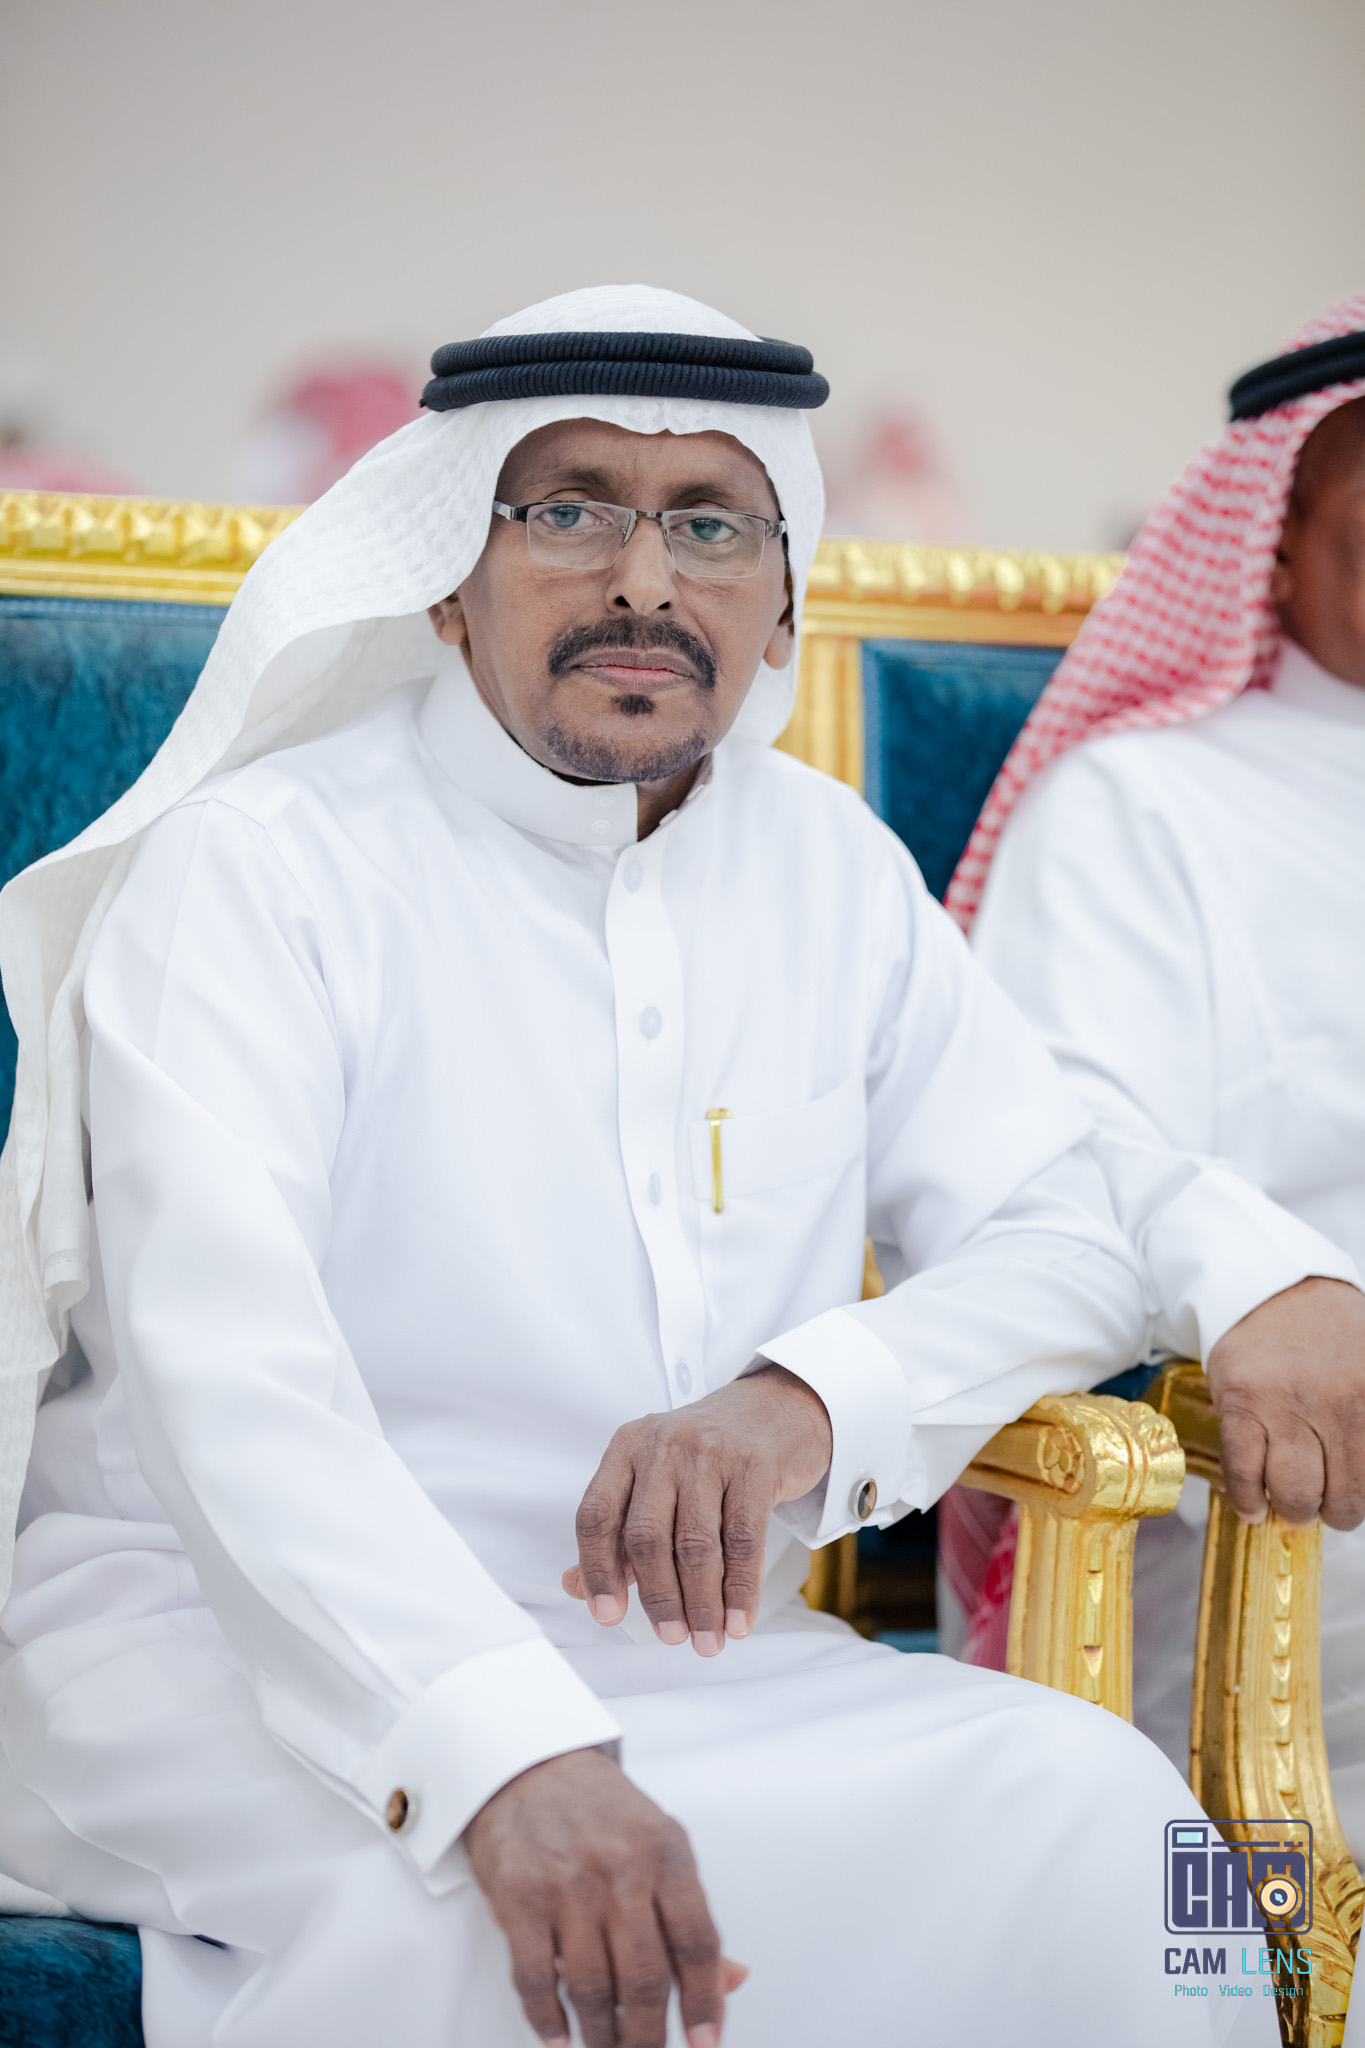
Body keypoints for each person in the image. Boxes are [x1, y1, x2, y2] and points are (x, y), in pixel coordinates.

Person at [0, 286, 1266, 2048]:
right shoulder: (262, 870)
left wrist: (810, 1399)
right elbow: (236, 1384)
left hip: (688, 1659)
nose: (643, 581)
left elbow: (1063, 1227)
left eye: (709, 525)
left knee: (1129, 1839)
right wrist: (497, 1753)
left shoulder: (828, 869)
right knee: (498, 1925)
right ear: (448, 574)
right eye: (570, 510)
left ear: (781, 600)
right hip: (221, 1643)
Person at [951, 295, 1365, 1861]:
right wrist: (1270, 1275)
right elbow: (1050, 1151)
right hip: (1296, 1534)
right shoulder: (1143, 803)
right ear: (1272, 540)